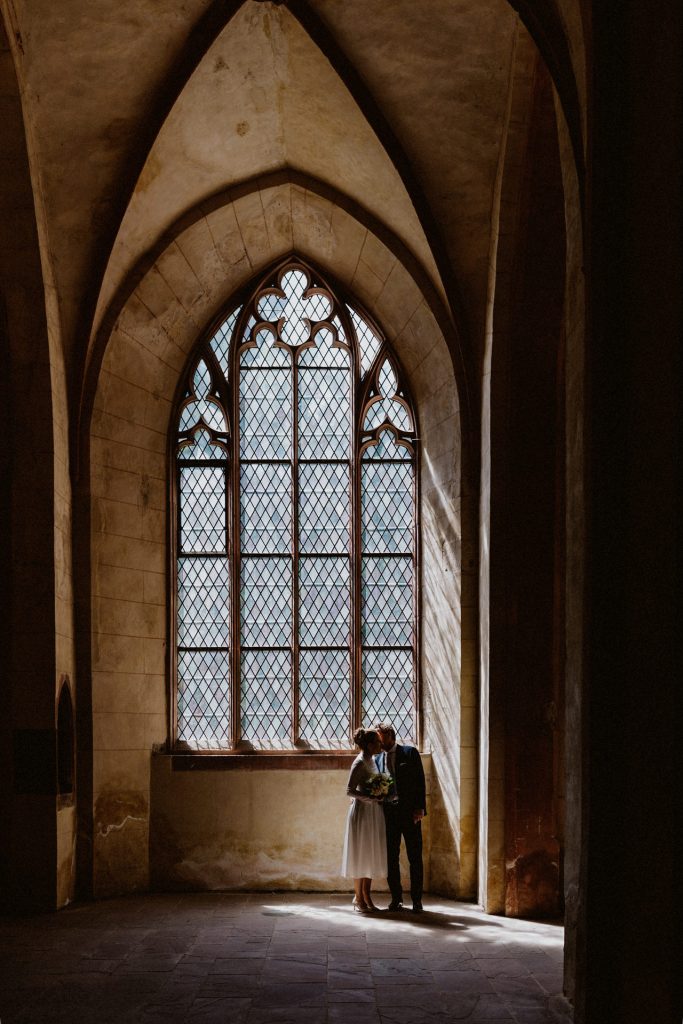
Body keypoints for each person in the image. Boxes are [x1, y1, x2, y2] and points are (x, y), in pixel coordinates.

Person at [375, 721, 426, 912]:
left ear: (388, 735)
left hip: (409, 812)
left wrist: (420, 808)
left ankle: (417, 900)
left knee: (415, 856)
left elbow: (420, 781)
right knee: (391, 857)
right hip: (389, 813)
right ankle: (396, 898)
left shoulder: (409, 753)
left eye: (379, 735)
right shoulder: (378, 759)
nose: (377, 740)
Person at [341, 727, 387, 912]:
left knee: (371, 853)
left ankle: (367, 895)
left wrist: (381, 792)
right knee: (361, 854)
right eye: (377, 742)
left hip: (373, 813)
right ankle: (359, 898)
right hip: (362, 813)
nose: (380, 744)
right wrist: (371, 797)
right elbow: (349, 790)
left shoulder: (373, 760)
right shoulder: (359, 763)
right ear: (369, 745)